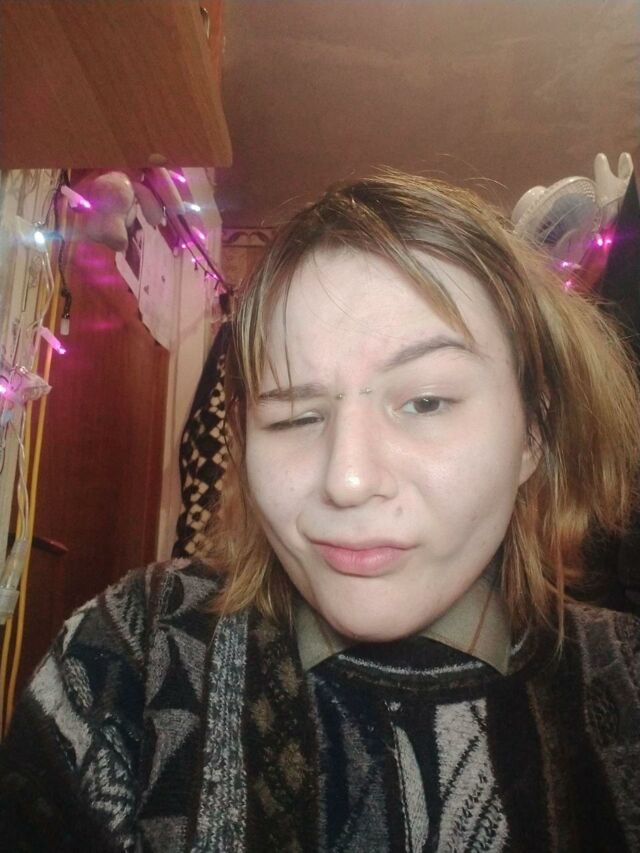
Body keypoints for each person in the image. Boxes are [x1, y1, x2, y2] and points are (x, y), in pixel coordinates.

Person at [1, 171, 640, 852]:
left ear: (533, 434)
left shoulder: (625, 684)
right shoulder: (127, 658)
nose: (348, 479)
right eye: (296, 416)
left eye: (426, 402)